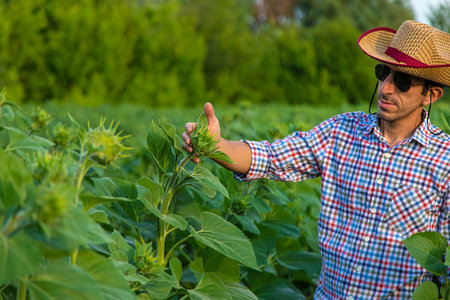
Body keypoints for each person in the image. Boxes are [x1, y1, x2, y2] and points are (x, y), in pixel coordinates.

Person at [182, 20, 450, 299]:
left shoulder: (445, 160)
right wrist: (215, 145)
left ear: (431, 95)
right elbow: (272, 157)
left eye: (403, 82)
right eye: (383, 73)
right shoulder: (341, 132)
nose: (386, 88)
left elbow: (445, 261)